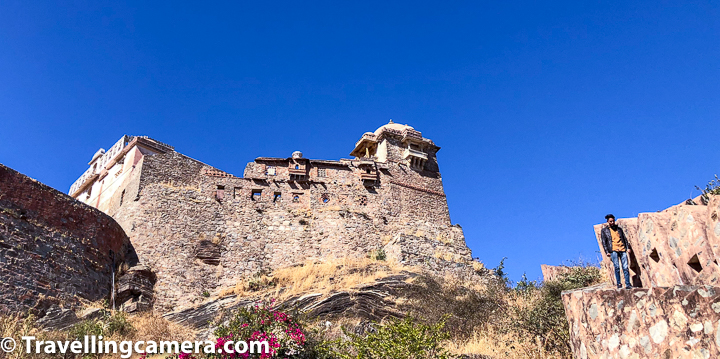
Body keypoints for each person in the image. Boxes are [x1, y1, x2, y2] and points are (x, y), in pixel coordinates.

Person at [600, 214, 633, 289]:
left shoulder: (619, 229)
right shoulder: (604, 230)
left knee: (625, 267)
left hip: (622, 249)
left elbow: (624, 239)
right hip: (613, 250)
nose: (612, 222)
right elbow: (604, 242)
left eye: (613, 221)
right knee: (617, 267)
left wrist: (627, 247)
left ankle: (628, 284)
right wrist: (607, 251)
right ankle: (619, 284)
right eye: (610, 221)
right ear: (608, 222)